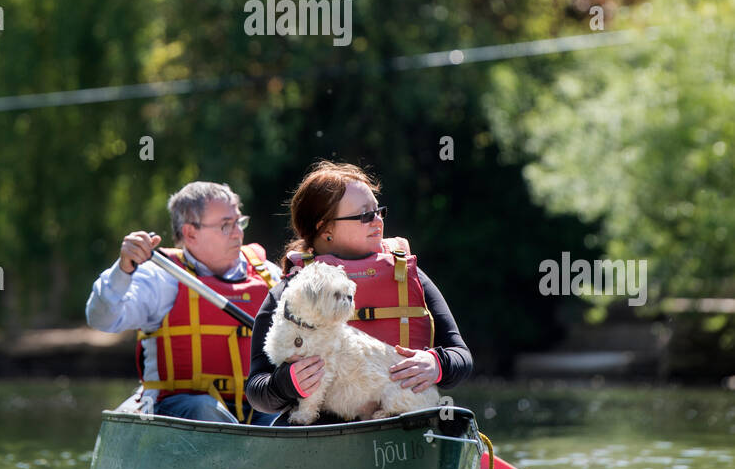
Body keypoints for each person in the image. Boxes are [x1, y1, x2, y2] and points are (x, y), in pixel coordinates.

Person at [246, 162, 472, 422]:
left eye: (379, 212)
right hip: (321, 428)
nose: (377, 221)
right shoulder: (292, 291)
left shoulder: (411, 276)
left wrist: (437, 365)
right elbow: (257, 390)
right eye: (365, 216)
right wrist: (285, 384)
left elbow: (461, 356)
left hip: (402, 416)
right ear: (325, 228)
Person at [87, 182, 281, 424]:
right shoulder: (160, 277)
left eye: (239, 222)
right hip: (181, 410)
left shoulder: (268, 276)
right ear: (190, 233)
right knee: (204, 410)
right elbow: (102, 319)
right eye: (225, 225)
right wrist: (123, 270)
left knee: (286, 413)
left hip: (256, 403)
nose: (237, 233)